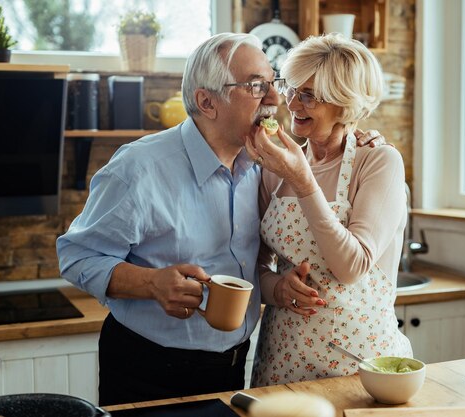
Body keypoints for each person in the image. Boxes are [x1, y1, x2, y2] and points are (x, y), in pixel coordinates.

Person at [57, 32, 383, 406]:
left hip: (234, 365)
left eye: (273, 83)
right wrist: (152, 283)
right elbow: (76, 257)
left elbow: (261, 257)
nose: (277, 100)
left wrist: (278, 286)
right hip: (148, 367)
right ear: (207, 102)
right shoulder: (139, 169)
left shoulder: (263, 165)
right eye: (257, 86)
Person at [246, 33, 413, 387]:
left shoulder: (379, 161)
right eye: (291, 89)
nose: (292, 104)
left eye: (308, 96)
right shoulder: (275, 166)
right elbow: (254, 263)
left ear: (345, 104)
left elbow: (351, 267)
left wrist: (303, 181)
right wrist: (277, 287)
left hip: (358, 368)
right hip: (282, 362)